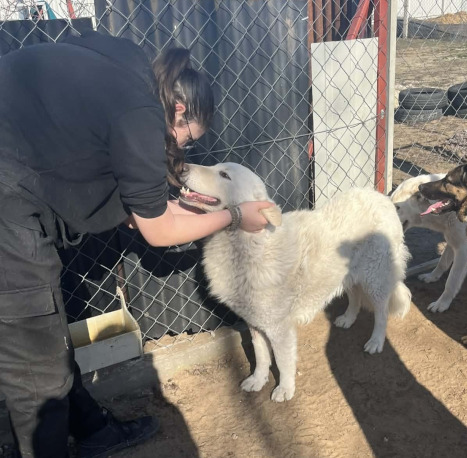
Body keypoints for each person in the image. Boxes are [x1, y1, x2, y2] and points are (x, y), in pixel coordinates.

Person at [0, 31, 274, 458]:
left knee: (45, 338)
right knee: (37, 374)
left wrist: (181, 210)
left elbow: (141, 207)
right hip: (8, 203)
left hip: (19, 175)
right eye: (188, 139)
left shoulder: (130, 66)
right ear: (178, 111)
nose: (182, 149)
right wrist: (236, 216)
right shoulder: (141, 114)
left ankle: (91, 429)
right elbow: (157, 231)